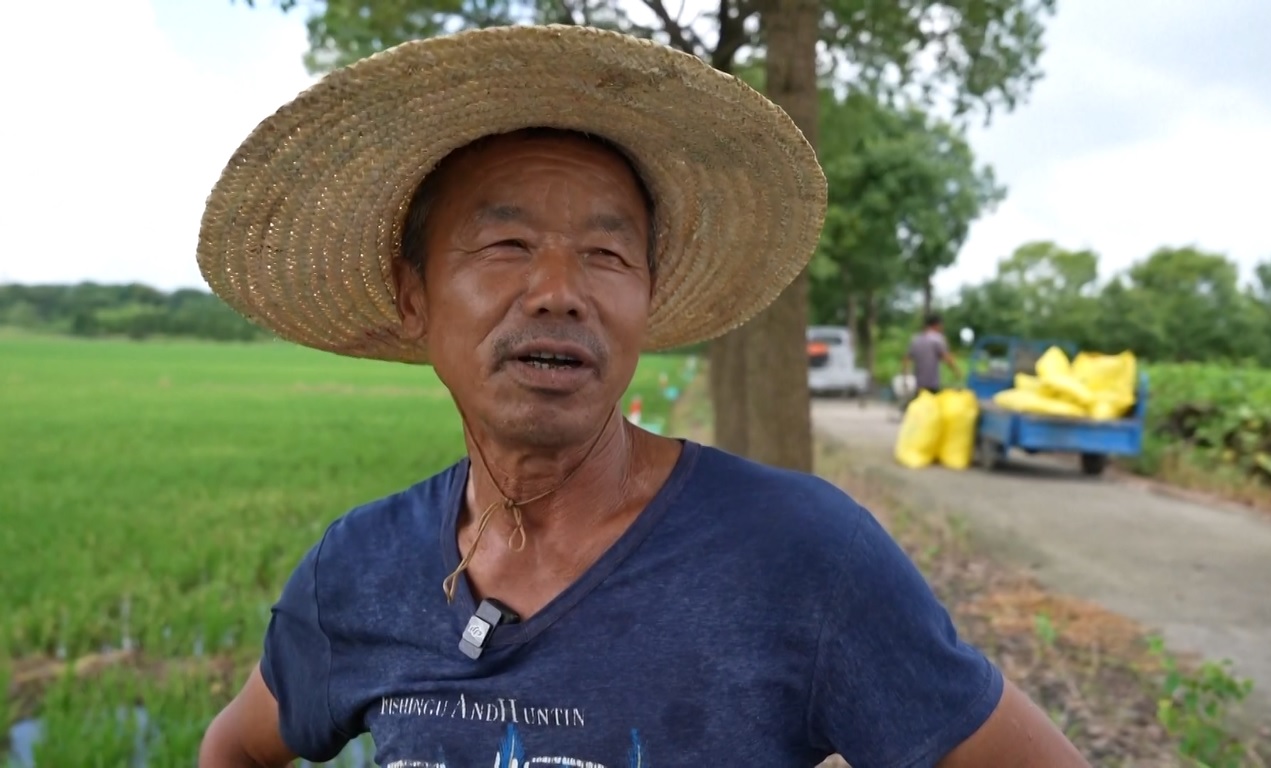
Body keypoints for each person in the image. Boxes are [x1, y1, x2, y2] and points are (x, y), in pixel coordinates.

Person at [195, 24, 1090, 768]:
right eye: (505, 245)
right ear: (414, 297)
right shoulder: (359, 568)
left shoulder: (802, 559)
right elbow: (233, 747)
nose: (557, 290)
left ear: (646, 302)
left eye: (607, 253)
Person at [904, 313, 962, 396]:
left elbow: (906, 359)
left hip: (918, 385)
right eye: (941, 325)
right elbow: (947, 359)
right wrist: (957, 372)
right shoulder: (938, 339)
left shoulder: (915, 339)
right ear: (936, 325)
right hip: (932, 385)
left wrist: (905, 377)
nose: (942, 327)